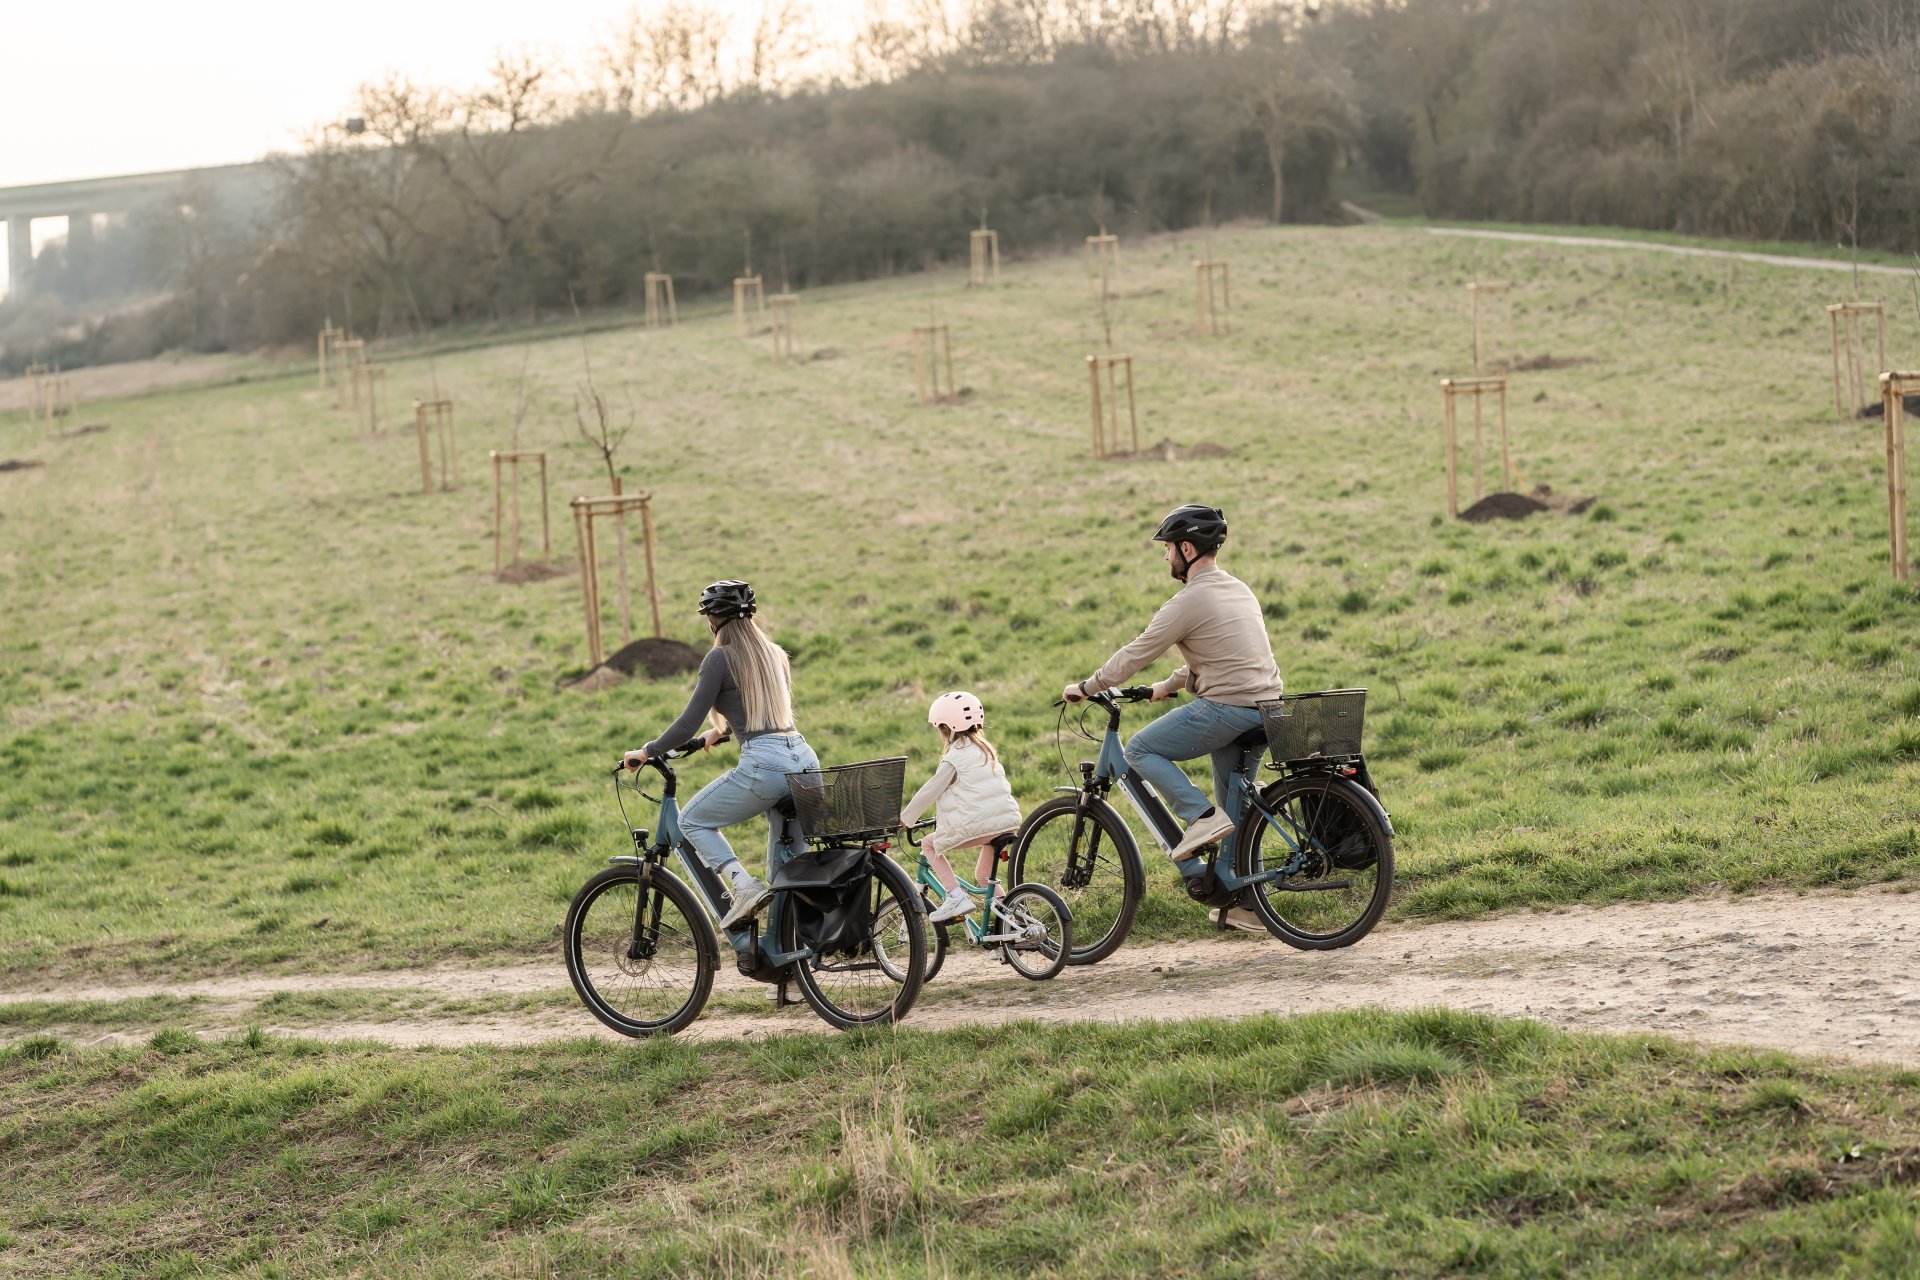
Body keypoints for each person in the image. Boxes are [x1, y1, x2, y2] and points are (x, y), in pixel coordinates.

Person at [1062, 504, 1284, 932]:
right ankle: (1243, 902)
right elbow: (1226, 652)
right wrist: (1169, 684)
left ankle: (1199, 818)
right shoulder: (1238, 589)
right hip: (1267, 708)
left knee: (1143, 748)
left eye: (1167, 549)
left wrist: (1088, 687)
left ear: (1187, 548)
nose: (1165, 557)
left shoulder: (1187, 601)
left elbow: (1135, 653)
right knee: (1233, 802)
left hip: (1229, 708)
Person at [624, 580, 817, 931]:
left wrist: (647, 751)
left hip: (766, 765)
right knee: (785, 872)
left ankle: (742, 887)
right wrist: (722, 730)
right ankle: (792, 953)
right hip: (804, 759)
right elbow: (768, 709)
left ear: (713, 618)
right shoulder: (775, 654)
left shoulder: (719, 658)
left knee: (692, 821)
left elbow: (685, 725)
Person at [899, 691, 1023, 924]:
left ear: (946, 728)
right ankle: (1014, 923)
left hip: (978, 826)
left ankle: (955, 896)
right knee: (983, 876)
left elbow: (930, 790)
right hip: (1007, 822)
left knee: (928, 844)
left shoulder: (954, 758)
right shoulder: (986, 750)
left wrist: (906, 818)